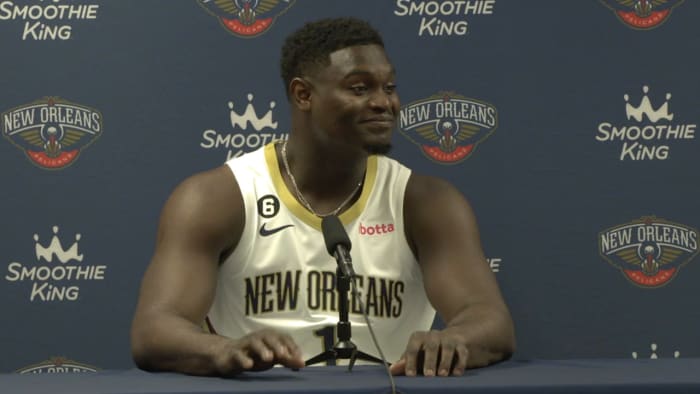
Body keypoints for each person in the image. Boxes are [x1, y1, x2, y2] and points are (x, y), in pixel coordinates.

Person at [130, 17, 515, 378]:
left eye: (390, 87)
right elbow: (155, 328)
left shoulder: (426, 201)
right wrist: (219, 350)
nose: (385, 103)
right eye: (360, 88)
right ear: (303, 95)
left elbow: (489, 319)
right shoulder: (219, 196)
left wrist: (454, 339)